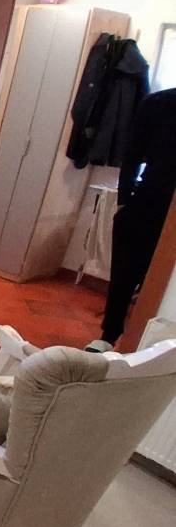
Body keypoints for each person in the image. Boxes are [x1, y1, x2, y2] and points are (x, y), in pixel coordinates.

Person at [87, 88, 176, 351]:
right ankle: (108, 335)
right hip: (148, 199)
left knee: (161, 284)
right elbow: (132, 155)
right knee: (125, 271)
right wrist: (125, 200)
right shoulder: (158, 103)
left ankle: (146, 344)